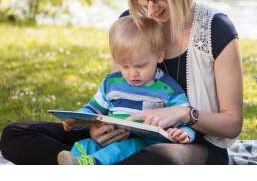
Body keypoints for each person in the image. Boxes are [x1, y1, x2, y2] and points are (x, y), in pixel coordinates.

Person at [0, 0, 244, 165]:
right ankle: (85, 166)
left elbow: (232, 124)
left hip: (190, 146)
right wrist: (98, 129)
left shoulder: (216, 30)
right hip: (125, 138)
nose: (151, 9)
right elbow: (117, 91)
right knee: (16, 135)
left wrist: (184, 114)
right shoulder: (131, 22)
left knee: (160, 159)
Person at [57, 16, 195, 165]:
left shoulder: (169, 89)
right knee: (84, 145)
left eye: (140, 66)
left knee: (126, 147)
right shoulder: (111, 83)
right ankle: (75, 162)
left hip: (144, 144)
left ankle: (92, 163)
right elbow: (94, 107)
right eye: (125, 66)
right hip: (112, 137)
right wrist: (78, 118)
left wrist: (184, 133)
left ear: (159, 55)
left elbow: (183, 118)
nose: (132, 73)